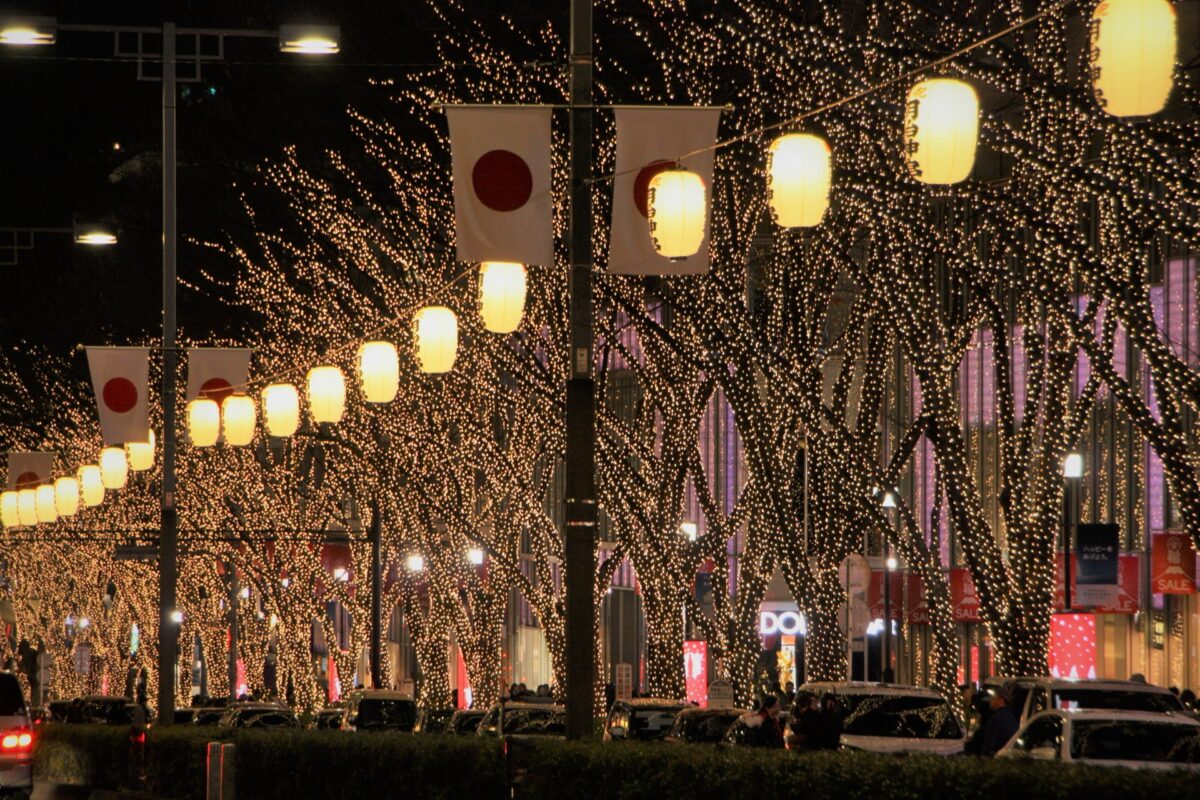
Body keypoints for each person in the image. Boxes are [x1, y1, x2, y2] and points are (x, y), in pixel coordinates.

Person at [979, 681, 1020, 756]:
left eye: (994, 697)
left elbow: (988, 745)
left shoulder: (996, 719)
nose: (991, 700)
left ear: (1001, 700)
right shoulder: (1012, 718)